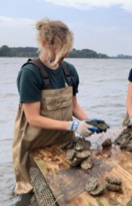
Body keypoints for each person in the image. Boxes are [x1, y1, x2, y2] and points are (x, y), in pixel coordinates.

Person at [12, 19, 107, 195]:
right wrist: (72, 125)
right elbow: (33, 119)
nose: (65, 56)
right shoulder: (30, 73)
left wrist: (86, 119)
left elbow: (73, 106)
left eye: (67, 51)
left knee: (69, 191)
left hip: (64, 144)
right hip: (34, 148)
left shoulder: (69, 71)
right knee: (37, 192)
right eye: (60, 50)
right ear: (44, 44)